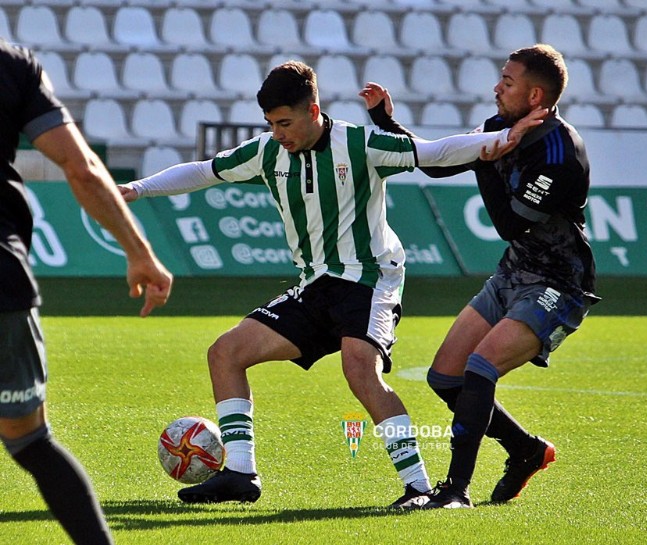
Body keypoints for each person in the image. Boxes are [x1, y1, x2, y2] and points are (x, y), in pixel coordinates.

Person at [119, 60, 543, 509]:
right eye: (270, 123)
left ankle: (418, 488)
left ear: (313, 110)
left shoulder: (359, 144)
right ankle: (240, 474)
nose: (278, 133)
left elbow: (434, 153)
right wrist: (138, 189)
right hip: (315, 283)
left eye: (285, 122)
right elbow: (204, 171)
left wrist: (503, 139)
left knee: (359, 367)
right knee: (225, 352)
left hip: (369, 277)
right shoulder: (267, 152)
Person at [361, 44, 600, 508]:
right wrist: (386, 123)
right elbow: (437, 163)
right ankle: (525, 450)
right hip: (513, 273)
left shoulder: (561, 151)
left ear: (534, 95)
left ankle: (455, 491)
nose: (496, 87)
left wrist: (491, 155)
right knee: (445, 378)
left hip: (558, 284)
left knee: (480, 367)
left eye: (507, 83)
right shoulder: (497, 127)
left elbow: (511, 223)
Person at [1, 40, 173, 544]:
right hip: (0, 279)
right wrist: (140, 251)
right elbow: (81, 168)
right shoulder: (12, 65)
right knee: (30, 441)